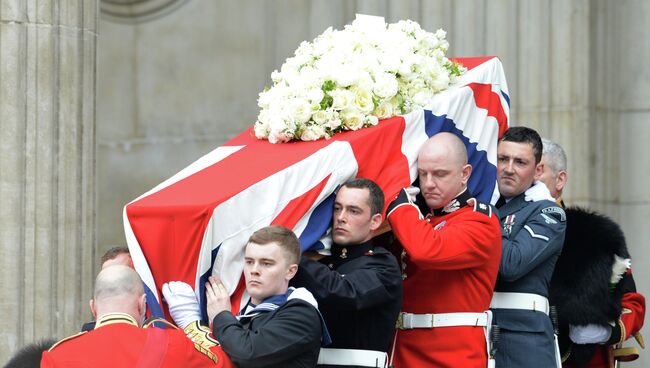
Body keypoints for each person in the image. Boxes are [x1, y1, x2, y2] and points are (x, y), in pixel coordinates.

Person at [386, 132, 502, 367]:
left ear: (465, 174)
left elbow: (427, 251)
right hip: (404, 349)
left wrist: (399, 209)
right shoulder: (422, 221)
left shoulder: (481, 221)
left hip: (452, 355)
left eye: (440, 174)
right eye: (422, 174)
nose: (428, 184)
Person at [540, 138, 646, 368]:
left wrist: (607, 331)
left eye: (538, 169)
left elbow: (632, 303)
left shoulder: (597, 235)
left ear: (560, 179)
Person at [164, 225, 326, 368]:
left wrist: (219, 315)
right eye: (249, 262)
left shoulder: (301, 314)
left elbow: (246, 353)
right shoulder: (241, 308)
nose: (254, 270)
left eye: (266, 263)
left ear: (290, 271)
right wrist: (193, 326)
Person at [290, 178, 402, 367]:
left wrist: (289, 253)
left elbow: (344, 292)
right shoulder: (323, 259)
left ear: (375, 221)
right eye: (337, 208)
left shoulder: (383, 265)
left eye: (353, 210)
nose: (341, 217)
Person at [41, 265, 232, 367]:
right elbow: (222, 364)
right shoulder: (172, 343)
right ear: (142, 304)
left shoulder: (57, 356)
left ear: (93, 308)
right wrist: (192, 322)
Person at [490, 126, 567, 368]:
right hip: (482, 330)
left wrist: (485, 216)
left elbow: (511, 265)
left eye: (520, 162)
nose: (508, 169)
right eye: (503, 159)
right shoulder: (491, 205)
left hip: (525, 338)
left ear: (538, 170)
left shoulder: (549, 212)